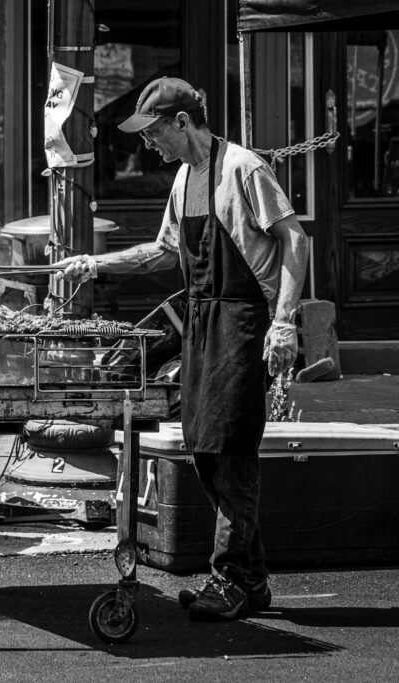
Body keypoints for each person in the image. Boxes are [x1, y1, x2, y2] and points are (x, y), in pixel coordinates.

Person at [55, 77, 309, 621]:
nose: (148, 144)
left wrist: (284, 323)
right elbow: (165, 252)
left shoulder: (242, 167)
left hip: (245, 319)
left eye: (152, 132)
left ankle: (231, 578)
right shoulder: (184, 177)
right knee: (203, 446)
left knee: (229, 447)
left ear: (182, 122)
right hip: (201, 319)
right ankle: (251, 580)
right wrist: (95, 264)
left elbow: (295, 239)